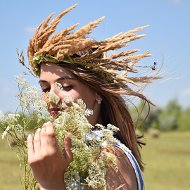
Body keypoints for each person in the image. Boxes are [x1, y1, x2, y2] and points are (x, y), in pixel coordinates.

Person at [24, 4, 156, 190]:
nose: (51, 98)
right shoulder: (68, 153)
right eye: (45, 88)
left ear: (97, 92)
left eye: (66, 86)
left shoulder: (110, 158)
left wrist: (51, 183)